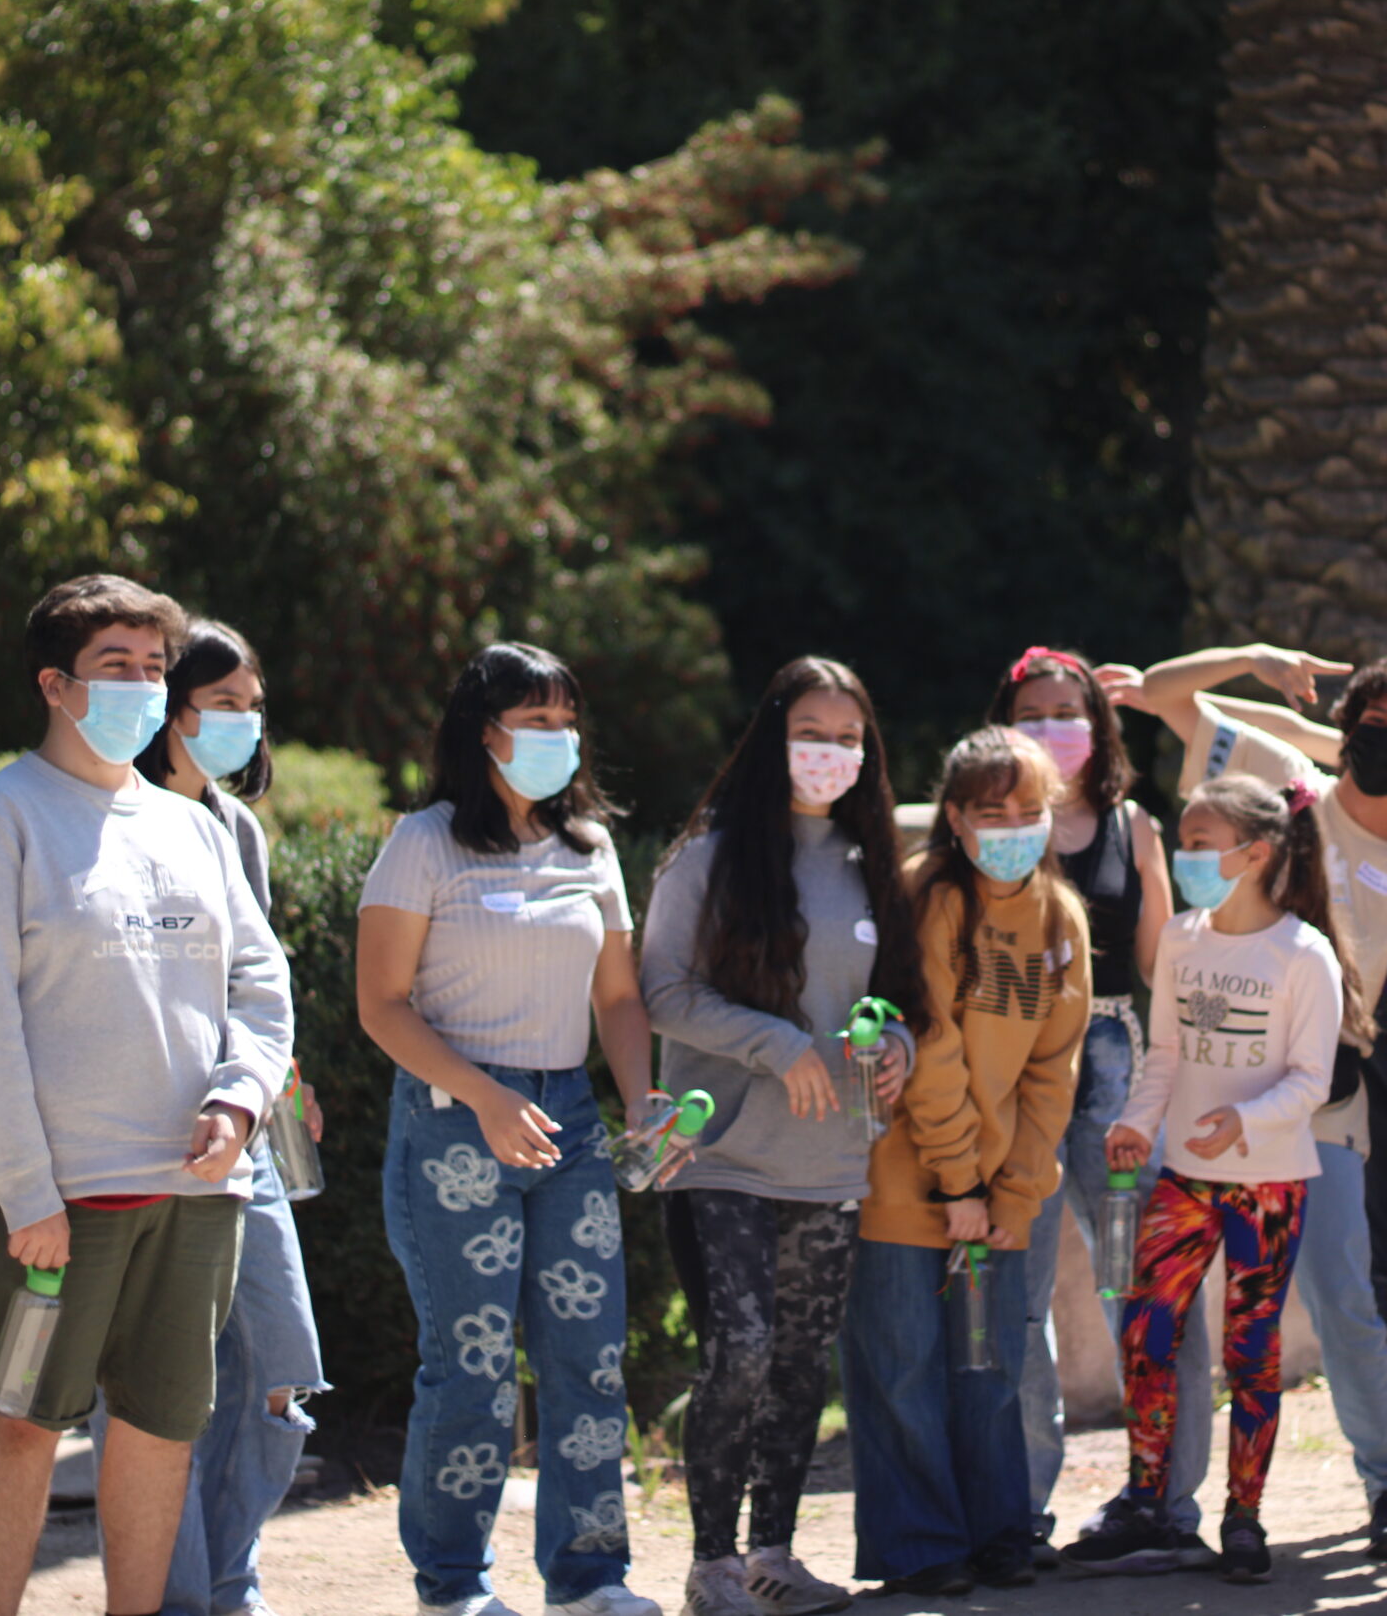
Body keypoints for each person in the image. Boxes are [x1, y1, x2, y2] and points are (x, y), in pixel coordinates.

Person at [0, 574, 294, 1616]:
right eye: (114, 665)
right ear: (55, 684)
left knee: (162, 1430)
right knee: (20, 1423)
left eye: (153, 667)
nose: (140, 685)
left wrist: (241, 1099)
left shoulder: (195, 829)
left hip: (193, 1193)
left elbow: (260, 982)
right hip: (49, 1208)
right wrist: (24, 1189)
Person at [1103, 645, 1387, 1558]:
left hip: (1317, 1112)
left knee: (1344, 1300)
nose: (1386, 739)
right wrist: (1251, 660)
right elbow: (1161, 698)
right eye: (1375, 720)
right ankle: (1159, 1503)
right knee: (1162, 1311)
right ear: (1347, 723)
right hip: (1198, 1100)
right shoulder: (1283, 781)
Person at [355, 643, 660, 1616]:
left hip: (569, 1120)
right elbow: (381, 1004)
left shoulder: (590, 847)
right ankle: (452, 1586)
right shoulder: (423, 842)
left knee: (590, 1359)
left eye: (566, 721)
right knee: (472, 1365)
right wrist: (484, 1095)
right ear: (482, 733)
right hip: (453, 1122)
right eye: (535, 721)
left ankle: (589, 1579)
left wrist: (641, 1100)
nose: (557, 739)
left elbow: (619, 997)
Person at [640, 656, 926, 1616]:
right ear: (773, 737)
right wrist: (775, 1043)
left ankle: (773, 1557)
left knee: (803, 1366)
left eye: (848, 738)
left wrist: (897, 1048)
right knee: (742, 1351)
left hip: (830, 1161)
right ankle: (712, 1566)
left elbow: (900, 1001)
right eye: (811, 733)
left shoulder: (868, 862)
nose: (830, 753)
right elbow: (661, 991)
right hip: (719, 1154)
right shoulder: (705, 858)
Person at [87, 618, 328, 1616]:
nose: (242, 721)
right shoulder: (106, 817)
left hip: (245, 1133)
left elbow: (254, 978)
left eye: (251, 704)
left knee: (279, 1362)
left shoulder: (237, 830)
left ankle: (229, 1580)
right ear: (171, 709)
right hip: (136, 1137)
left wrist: (280, 1080)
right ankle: (176, 1598)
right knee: (151, 1386)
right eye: (221, 702)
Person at [1062, 774, 1347, 1584]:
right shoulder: (1182, 940)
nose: (1184, 856)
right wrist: (1136, 1120)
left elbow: (1311, 1079)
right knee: (1145, 1327)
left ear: (1255, 853)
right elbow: (1166, 1053)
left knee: (1252, 1351)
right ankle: (1148, 1499)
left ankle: (1243, 1515)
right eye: (1182, 840)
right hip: (1184, 1179)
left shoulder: (1305, 954)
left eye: (1198, 843)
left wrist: (1244, 1120)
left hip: (1270, 1185)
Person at [840, 727, 1089, 1598]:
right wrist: (961, 1181)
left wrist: (1012, 1191)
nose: (1014, 827)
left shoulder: (1059, 915)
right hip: (908, 1179)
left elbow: (1054, 1072)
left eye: (1030, 810)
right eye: (993, 811)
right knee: (902, 1367)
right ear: (955, 815)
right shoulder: (932, 894)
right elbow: (930, 1043)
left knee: (989, 1368)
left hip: (995, 1190)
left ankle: (999, 1532)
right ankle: (919, 1545)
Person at [987, 647, 1177, 1560]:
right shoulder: (986, 827)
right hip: (1013, 1062)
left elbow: (1164, 966)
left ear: (1099, 726)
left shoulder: (1135, 827)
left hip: (1111, 1062)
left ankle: (1157, 1497)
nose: (1051, 728)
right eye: (1032, 712)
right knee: (1017, 1294)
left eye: (1068, 711)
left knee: (1134, 1280)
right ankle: (1021, 1506)